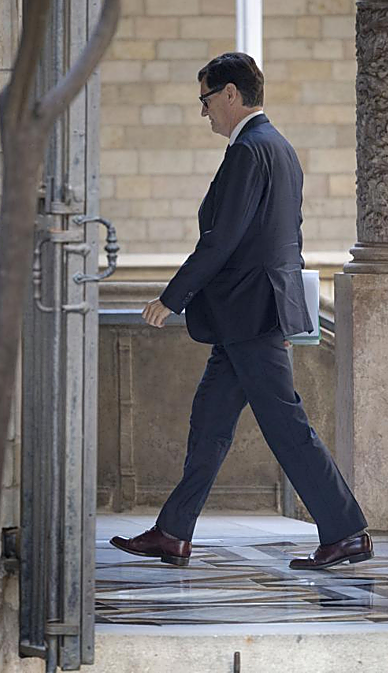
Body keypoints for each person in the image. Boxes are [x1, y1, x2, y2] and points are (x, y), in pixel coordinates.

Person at [108, 52, 372, 570]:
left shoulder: (250, 151)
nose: (203, 111)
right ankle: (173, 532)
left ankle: (346, 531)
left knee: (286, 426)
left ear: (231, 94)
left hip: (251, 315)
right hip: (246, 315)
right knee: (209, 423)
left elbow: (221, 239)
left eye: (205, 99)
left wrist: (171, 296)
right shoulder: (279, 148)